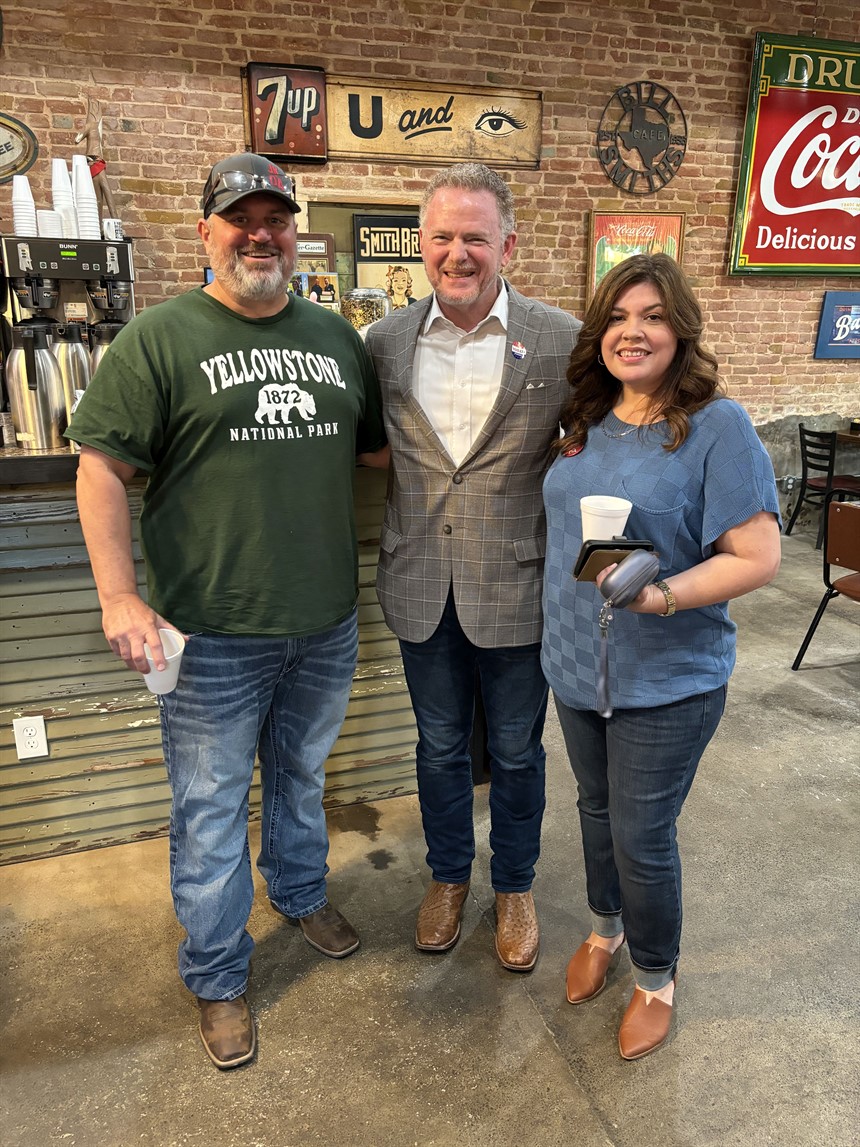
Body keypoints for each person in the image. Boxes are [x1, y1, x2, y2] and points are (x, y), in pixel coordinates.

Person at [66, 153, 388, 1070]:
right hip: (206, 634)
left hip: (323, 621)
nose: (260, 234)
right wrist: (119, 595)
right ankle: (216, 974)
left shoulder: (335, 339)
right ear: (205, 232)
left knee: (299, 781)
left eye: (276, 219)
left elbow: (377, 458)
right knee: (209, 811)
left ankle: (297, 891)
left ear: (297, 233)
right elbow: (99, 469)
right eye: (239, 219)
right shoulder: (159, 338)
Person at [541, 254, 781, 1059]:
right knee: (594, 813)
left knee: (643, 834)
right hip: (577, 666)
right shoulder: (584, 418)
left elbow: (757, 556)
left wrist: (663, 594)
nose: (631, 332)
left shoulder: (718, 425)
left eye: (650, 316)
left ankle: (654, 973)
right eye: (616, 317)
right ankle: (604, 929)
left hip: (668, 677)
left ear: (679, 329)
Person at [365, 163, 582, 972]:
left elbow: (598, 435)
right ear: (422, 244)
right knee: (439, 744)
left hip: (520, 584)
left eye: (476, 238)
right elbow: (370, 445)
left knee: (520, 751)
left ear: (508, 245)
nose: (459, 253)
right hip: (420, 580)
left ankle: (515, 885)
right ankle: (449, 876)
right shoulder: (383, 341)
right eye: (444, 237)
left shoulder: (560, 337)